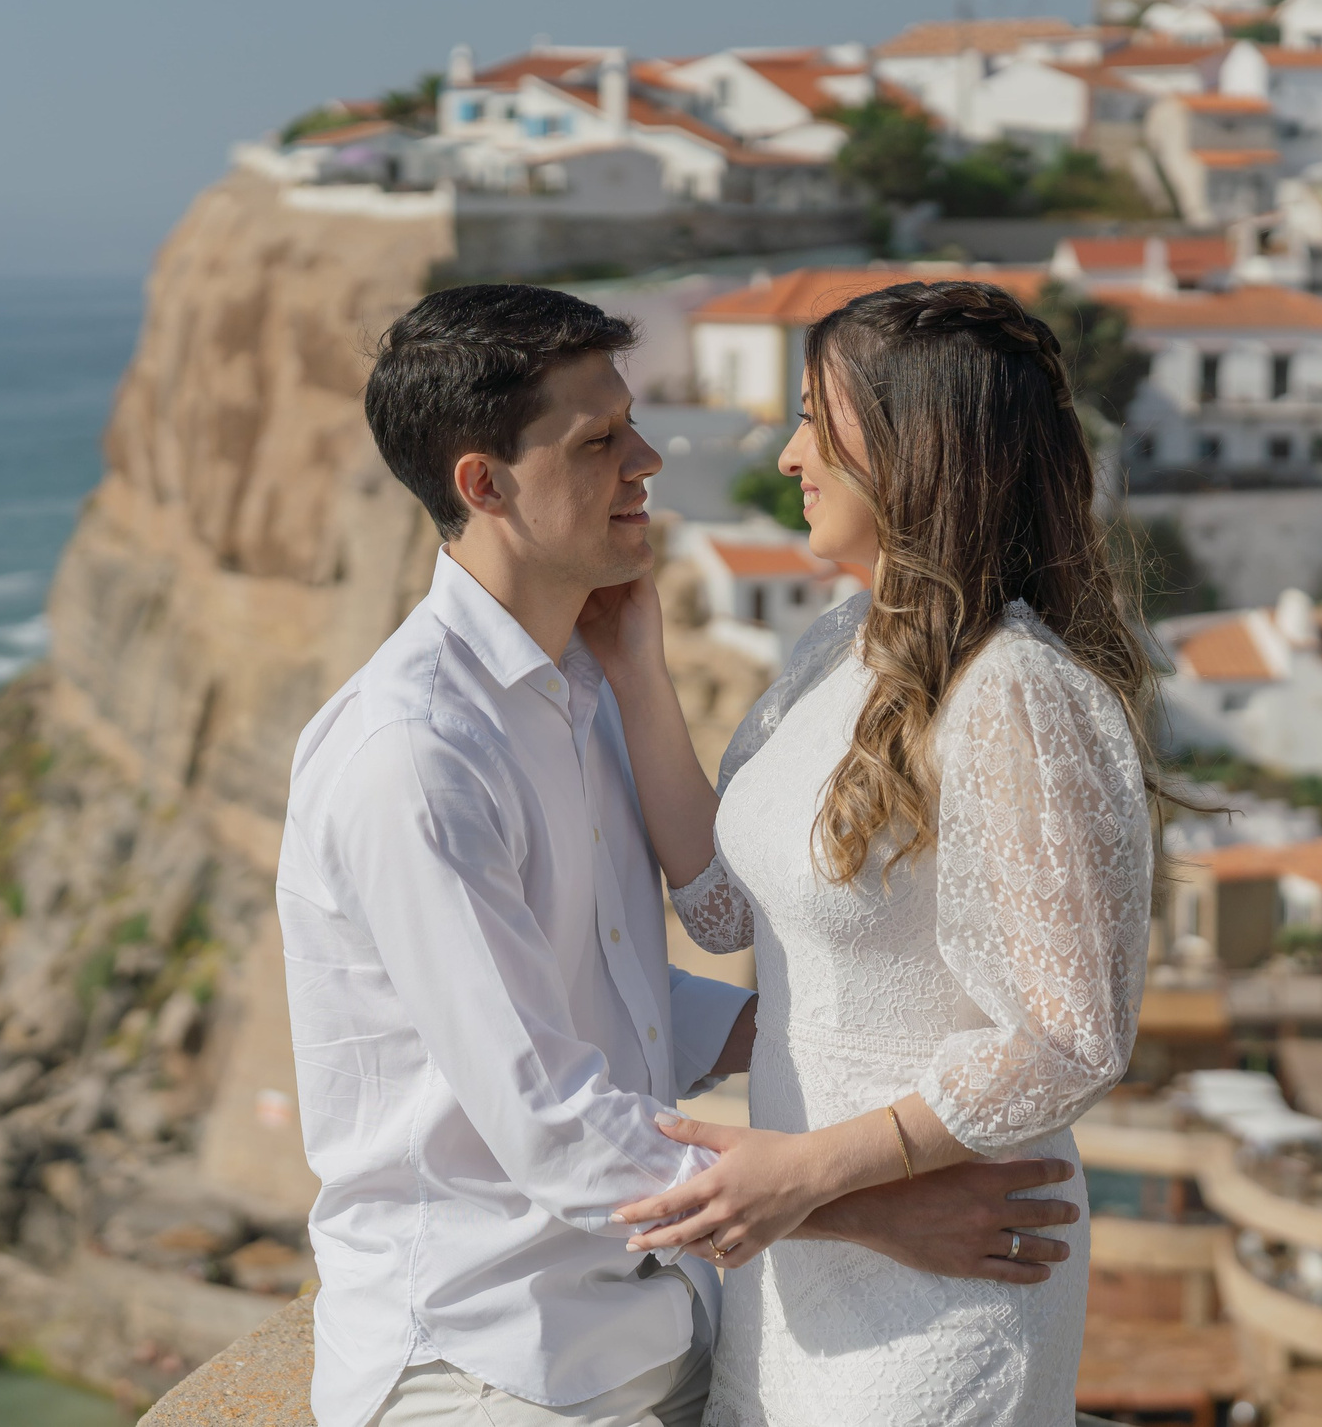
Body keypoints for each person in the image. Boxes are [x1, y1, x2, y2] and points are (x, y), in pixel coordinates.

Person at [277, 283, 1087, 1427]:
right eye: (599, 441)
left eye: (634, 424)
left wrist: (816, 1026)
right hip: (486, 1354)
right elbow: (550, 1119)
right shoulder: (415, 756)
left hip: (661, 1319)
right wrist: (863, 1207)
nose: (647, 460)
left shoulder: (580, 688)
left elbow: (599, 978)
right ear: (484, 484)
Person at [582, 279, 1166, 1427]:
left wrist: (810, 1172)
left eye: (815, 420)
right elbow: (725, 912)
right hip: (794, 1267)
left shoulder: (1016, 692)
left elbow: (1070, 1040)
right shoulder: (831, 649)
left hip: (950, 1278)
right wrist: (636, 667)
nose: (788, 454)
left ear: (914, 449)